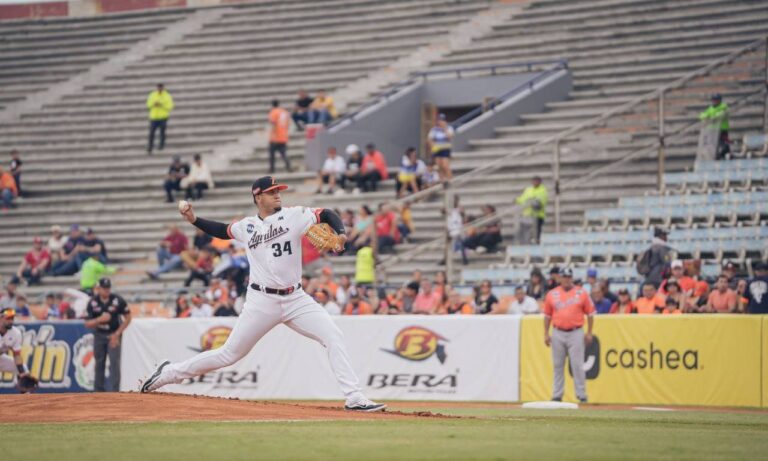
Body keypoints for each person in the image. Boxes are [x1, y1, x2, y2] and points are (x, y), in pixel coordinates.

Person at [140, 175, 386, 412]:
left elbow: (326, 213)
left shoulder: (295, 216)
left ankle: (354, 397)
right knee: (229, 354)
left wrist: (340, 232)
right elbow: (222, 230)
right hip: (262, 300)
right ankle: (170, 373)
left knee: (333, 335)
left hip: (295, 298)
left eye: (278, 190)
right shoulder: (247, 226)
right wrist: (194, 219)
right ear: (258, 197)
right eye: (272, 192)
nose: (278, 194)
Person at [543, 267, 594, 403]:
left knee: (577, 364)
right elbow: (547, 315)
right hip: (558, 331)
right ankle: (557, 394)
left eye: (568, 277)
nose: (566, 279)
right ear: (559, 278)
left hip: (575, 331)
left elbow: (590, 313)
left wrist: (589, 332)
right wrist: (546, 333)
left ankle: (581, 394)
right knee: (558, 365)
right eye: (564, 276)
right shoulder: (552, 294)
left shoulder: (581, 293)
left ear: (571, 278)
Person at [83, 278, 131, 392]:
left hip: (114, 334)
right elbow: (87, 323)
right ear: (99, 289)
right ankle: (98, 392)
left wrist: (118, 333)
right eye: (104, 288)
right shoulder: (92, 302)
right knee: (99, 362)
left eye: (108, 288)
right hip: (99, 334)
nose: (106, 291)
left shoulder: (117, 300)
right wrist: (99, 319)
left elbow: (128, 317)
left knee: (114, 363)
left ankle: (115, 391)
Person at [0, 308, 33, 391]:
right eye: (8, 318)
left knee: (24, 369)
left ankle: (24, 397)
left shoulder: (15, 333)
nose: (11, 321)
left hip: (1, 358)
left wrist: (21, 372)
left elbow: (17, 355)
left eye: (12, 318)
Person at [515, 176, 548, 244]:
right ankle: (524, 243)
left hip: (538, 215)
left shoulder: (543, 189)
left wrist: (534, 201)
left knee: (537, 231)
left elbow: (542, 200)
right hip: (527, 214)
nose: (535, 182)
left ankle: (537, 243)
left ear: (540, 182)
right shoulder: (528, 189)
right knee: (525, 230)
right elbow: (523, 198)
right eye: (534, 181)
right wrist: (517, 200)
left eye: (536, 181)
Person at [698, 93, 730, 159]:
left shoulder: (724, 107)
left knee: (724, 144)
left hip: (722, 129)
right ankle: (716, 156)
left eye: (716, 100)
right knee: (713, 145)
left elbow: (721, 115)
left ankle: (725, 155)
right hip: (712, 130)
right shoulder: (711, 108)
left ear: (720, 100)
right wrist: (704, 116)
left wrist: (711, 117)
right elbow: (702, 115)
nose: (714, 101)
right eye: (713, 100)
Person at [146, 83, 174, 154]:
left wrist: (161, 105)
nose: (159, 89)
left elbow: (170, 106)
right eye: (158, 88)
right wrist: (153, 104)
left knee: (162, 132)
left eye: (161, 88)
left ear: (163, 88)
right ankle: (150, 146)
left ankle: (161, 145)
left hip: (163, 117)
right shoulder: (152, 95)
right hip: (154, 117)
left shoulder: (167, 96)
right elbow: (148, 105)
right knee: (151, 132)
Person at [427, 113, 454, 183]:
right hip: (437, 149)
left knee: (445, 166)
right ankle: (442, 181)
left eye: (443, 120)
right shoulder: (434, 129)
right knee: (439, 166)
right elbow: (430, 139)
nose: (441, 122)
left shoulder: (449, 128)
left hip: (445, 149)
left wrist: (444, 128)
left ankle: (451, 180)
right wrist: (433, 146)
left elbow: (450, 137)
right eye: (440, 120)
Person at [268, 99, 292, 174]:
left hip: (275, 137)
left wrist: (274, 135)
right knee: (283, 153)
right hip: (283, 136)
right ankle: (288, 166)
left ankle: (272, 169)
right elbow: (288, 124)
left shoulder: (273, 112)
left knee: (272, 154)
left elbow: (273, 124)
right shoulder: (284, 112)